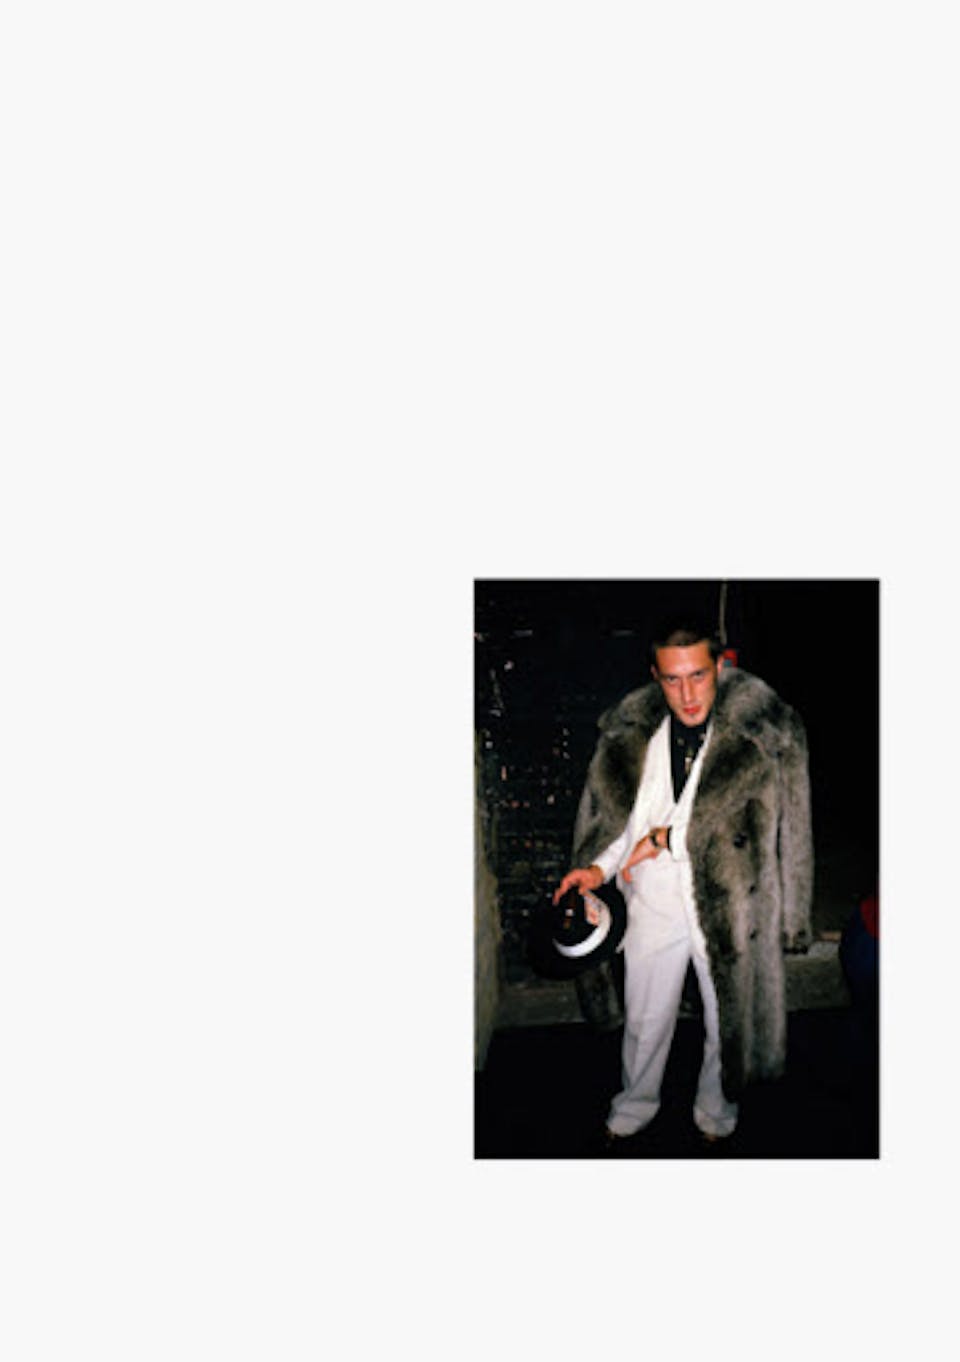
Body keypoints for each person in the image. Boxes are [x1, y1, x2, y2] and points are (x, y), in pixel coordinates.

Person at [554, 619, 813, 1148]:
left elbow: (794, 825)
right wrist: (598, 869)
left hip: (731, 893)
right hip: (652, 892)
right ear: (656, 676)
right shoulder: (635, 734)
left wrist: (793, 913)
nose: (688, 694)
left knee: (726, 1015)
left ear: (719, 666)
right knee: (645, 1015)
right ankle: (635, 1103)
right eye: (672, 680)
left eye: (698, 675)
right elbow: (625, 824)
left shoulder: (763, 730)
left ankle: (716, 1108)